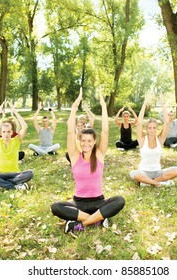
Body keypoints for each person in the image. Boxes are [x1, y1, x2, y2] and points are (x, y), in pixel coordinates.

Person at [51, 87, 125, 233]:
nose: (86, 144)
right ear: (80, 140)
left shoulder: (99, 155)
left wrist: (104, 105)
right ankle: (97, 219)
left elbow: (105, 130)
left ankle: (81, 224)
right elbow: (70, 131)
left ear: (94, 141)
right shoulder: (74, 156)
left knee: (119, 201)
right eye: (83, 140)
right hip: (78, 203)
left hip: (98, 201)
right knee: (56, 207)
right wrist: (74, 106)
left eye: (89, 141)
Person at [130, 95, 177, 187]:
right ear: (146, 129)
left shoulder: (160, 140)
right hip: (144, 171)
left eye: (154, 128)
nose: (152, 130)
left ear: (156, 129)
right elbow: (139, 122)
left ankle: (148, 183)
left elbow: (166, 122)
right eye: (149, 128)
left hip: (158, 172)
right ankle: (159, 183)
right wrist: (144, 104)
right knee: (133, 174)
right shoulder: (142, 140)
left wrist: (162, 103)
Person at [0, 102, 33, 191]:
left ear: (12, 132)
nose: (6, 134)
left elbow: (25, 126)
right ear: (0, 132)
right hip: (1, 174)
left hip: (15, 174)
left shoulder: (16, 140)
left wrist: (15, 111)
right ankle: (15, 185)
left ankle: (1, 185)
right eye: (4, 132)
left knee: (30, 173)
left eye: (8, 132)